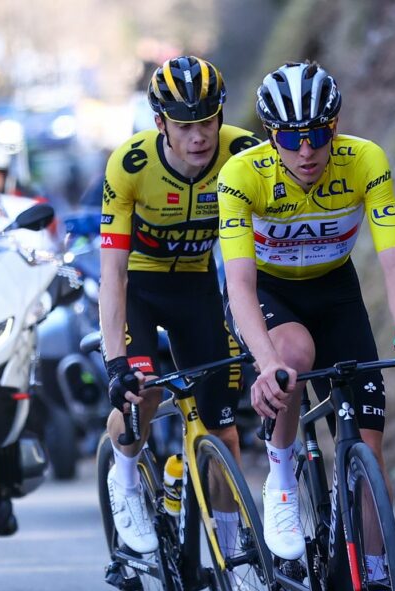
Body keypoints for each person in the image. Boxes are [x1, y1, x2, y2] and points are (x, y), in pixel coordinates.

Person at [218, 61, 395, 591]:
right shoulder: (241, 175)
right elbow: (238, 286)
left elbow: (393, 262)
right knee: (294, 355)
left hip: (336, 290)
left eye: (320, 134)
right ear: (271, 136)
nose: (308, 150)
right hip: (268, 291)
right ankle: (283, 478)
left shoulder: (365, 159)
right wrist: (265, 365)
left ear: (336, 126)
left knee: (369, 450)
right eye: (291, 138)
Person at [99, 56, 258, 564]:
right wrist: (114, 362)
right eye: (185, 126)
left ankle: (234, 558)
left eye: (208, 121)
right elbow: (113, 275)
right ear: (161, 123)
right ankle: (123, 480)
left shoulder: (243, 152)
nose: (199, 137)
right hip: (140, 290)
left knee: (223, 426)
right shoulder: (130, 165)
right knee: (140, 392)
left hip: (196, 288)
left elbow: (259, 253)